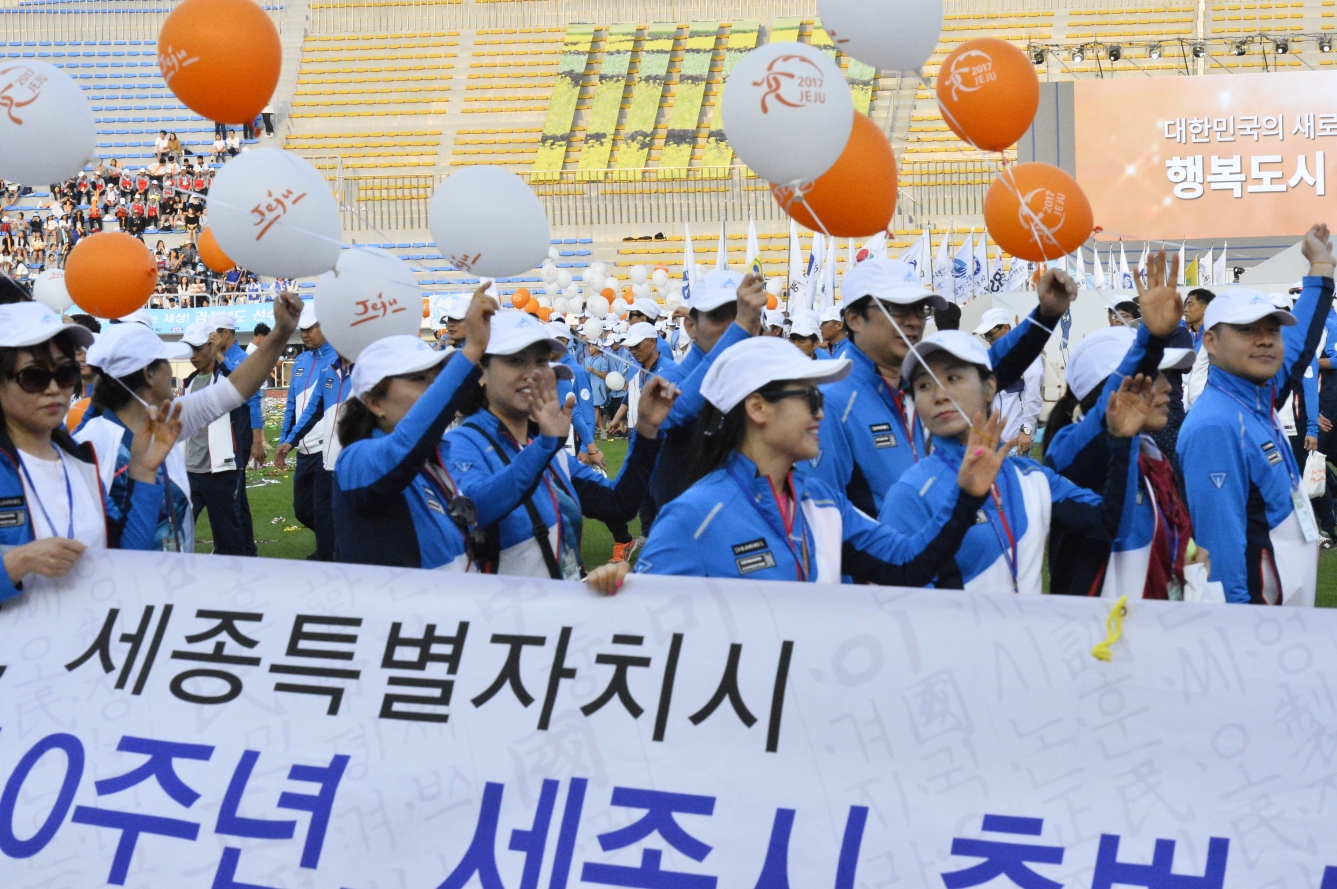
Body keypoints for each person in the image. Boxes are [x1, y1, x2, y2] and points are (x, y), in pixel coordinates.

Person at [584, 337, 1010, 590]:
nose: (820, 412)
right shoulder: (692, 517)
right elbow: (650, 642)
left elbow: (907, 566)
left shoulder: (818, 499)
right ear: (757, 408)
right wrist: (616, 592)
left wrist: (966, 498)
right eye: (810, 397)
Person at [880, 330, 1151, 594]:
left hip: (1032, 639)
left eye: (952, 377)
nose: (938, 395)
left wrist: (1122, 441)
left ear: (989, 388)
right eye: (923, 385)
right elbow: (901, 606)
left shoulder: (1031, 476)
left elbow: (1111, 524)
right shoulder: (911, 493)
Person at [802, 258, 1071, 519]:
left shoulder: (917, 380)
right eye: (897, 309)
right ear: (854, 319)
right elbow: (822, 520)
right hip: (890, 561)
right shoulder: (830, 404)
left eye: (920, 310)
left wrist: (1044, 316)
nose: (913, 321)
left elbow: (991, 365)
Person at [333, 290, 560, 572]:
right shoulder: (355, 460)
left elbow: (489, 502)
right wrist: (472, 350)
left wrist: (545, 444)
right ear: (374, 401)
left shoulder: (434, 461)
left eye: (437, 378)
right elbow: (402, 448)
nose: (434, 389)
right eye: (418, 379)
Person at [444, 311, 678, 579]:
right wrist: (544, 447)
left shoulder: (543, 449)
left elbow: (617, 505)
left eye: (541, 361)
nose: (532, 374)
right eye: (516, 361)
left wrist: (647, 431)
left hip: (559, 612)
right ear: (481, 372)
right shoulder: (460, 444)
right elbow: (475, 512)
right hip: (506, 613)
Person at [1178, 224, 1337, 606]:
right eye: (1247, 330)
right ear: (1211, 343)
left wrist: (1320, 266)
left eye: (1271, 329)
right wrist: (1244, 642)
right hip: (1257, 634)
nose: (1265, 339)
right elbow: (1221, 557)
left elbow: (1298, 344)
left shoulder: (1256, 394)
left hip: (1282, 622)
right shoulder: (1215, 426)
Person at [76, 295, 301, 554]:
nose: (171, 373)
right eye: (165, 364)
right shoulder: (90, 446)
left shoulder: (168, 420)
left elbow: (237, 388)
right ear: (149, 374)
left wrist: (282, 331)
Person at [1044, 251, 1208, 598]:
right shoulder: (1071, 450)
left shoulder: (1152, 454)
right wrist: (1150, 337)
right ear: (1111, 393)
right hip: (1100, 645)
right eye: (1152, 376)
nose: (1166, 387)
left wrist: (1188, 557)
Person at [0, 301, 179, 600]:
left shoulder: (81, 460)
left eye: (66, 373)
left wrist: (143, 472)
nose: (54, 389)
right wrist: (16, 563)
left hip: (91, 641)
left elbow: (124, 559)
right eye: (34, 377)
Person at [274, 305, 337, 556]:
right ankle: (334, 544)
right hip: (302, 449)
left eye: (310, 329)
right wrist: (285, 440)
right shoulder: (300, 361)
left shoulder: (338, 360)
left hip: (326, 450)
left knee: (322, 511)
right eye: (302, 330)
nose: (305, 334)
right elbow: (291, 405)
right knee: (302, 510)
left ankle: (327, 556)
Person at [210, 313, 265, 554]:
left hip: (238, 434)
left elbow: (251, 398)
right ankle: (240, 549)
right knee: (232, 498)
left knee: (235, 498)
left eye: (214, 333)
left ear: (226, 334)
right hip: (222, 434)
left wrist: (256, 440)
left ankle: (243, 551)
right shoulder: (215, 360)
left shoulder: (243, 360)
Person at [973, 307, 1042, 455]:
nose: (989, 340)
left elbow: (1033, 394)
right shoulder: (990, 356)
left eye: (990, 334)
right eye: (985, 335)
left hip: (1017, 441)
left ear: (1006, 327)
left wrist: (1026, 430)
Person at [1184, 288, 1215, 352]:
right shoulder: (1188, 337)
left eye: (1190, 305)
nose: (1185, 309)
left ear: (1205, 308)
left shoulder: (1214, 340)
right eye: (1186, 305)